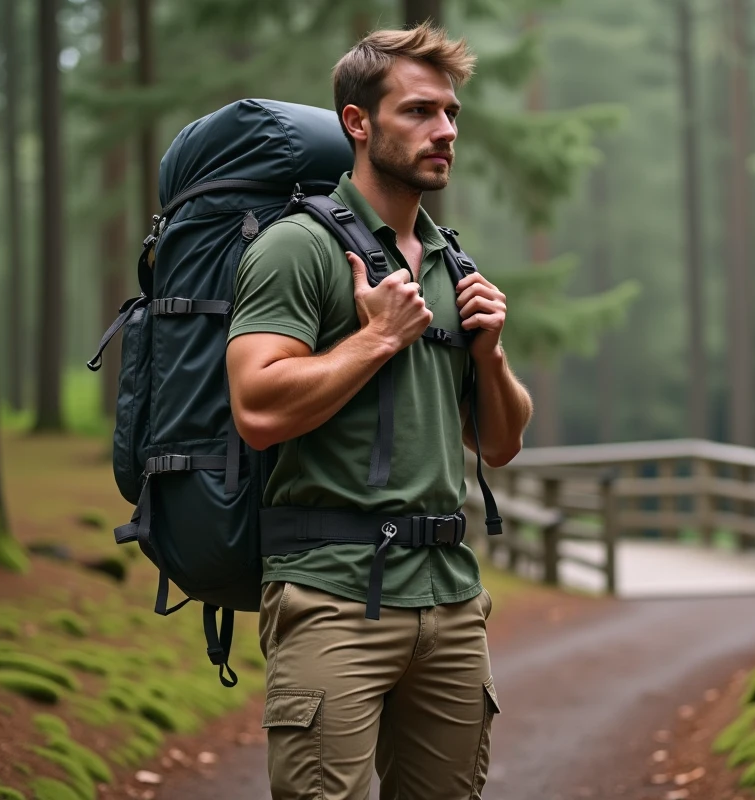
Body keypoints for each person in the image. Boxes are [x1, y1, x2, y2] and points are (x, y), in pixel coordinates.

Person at [225, 21, 534, 800]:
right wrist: (375, 341)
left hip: (452, 598)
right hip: (330, 593)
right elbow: (256, 407)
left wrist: (490, 354)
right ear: (358, 123)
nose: (444, 132)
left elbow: (500, 444)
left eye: (452, 114)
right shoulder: (298, 247)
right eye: (419, 112)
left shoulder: (452, 262)